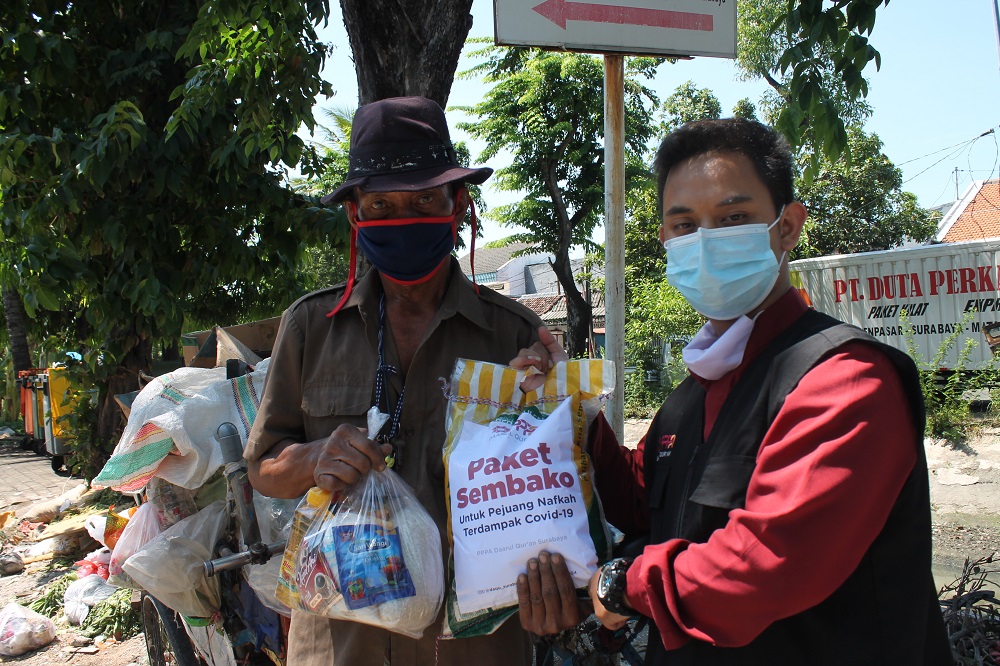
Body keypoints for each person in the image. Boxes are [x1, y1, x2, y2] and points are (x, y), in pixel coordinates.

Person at [514, 118, 953, 664]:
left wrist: (623, 585)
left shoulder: (846, 380)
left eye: (734, 218)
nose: (706, 243)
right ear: (665, 240)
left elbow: (766, 562)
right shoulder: (694, 393)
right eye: (684, 226)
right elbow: (641, 501)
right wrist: (568, 406)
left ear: (787, 227)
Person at [246, 96, 552, 666]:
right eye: (381, 204)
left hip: (472, 647)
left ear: (459, 203)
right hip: (338, 642)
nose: (402, 219)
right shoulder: (311, 326)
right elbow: (263, 467)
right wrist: (314, 457)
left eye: (424, 200)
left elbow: (557, 483)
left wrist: (557, 398)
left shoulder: (515, 336)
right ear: (354, 213)